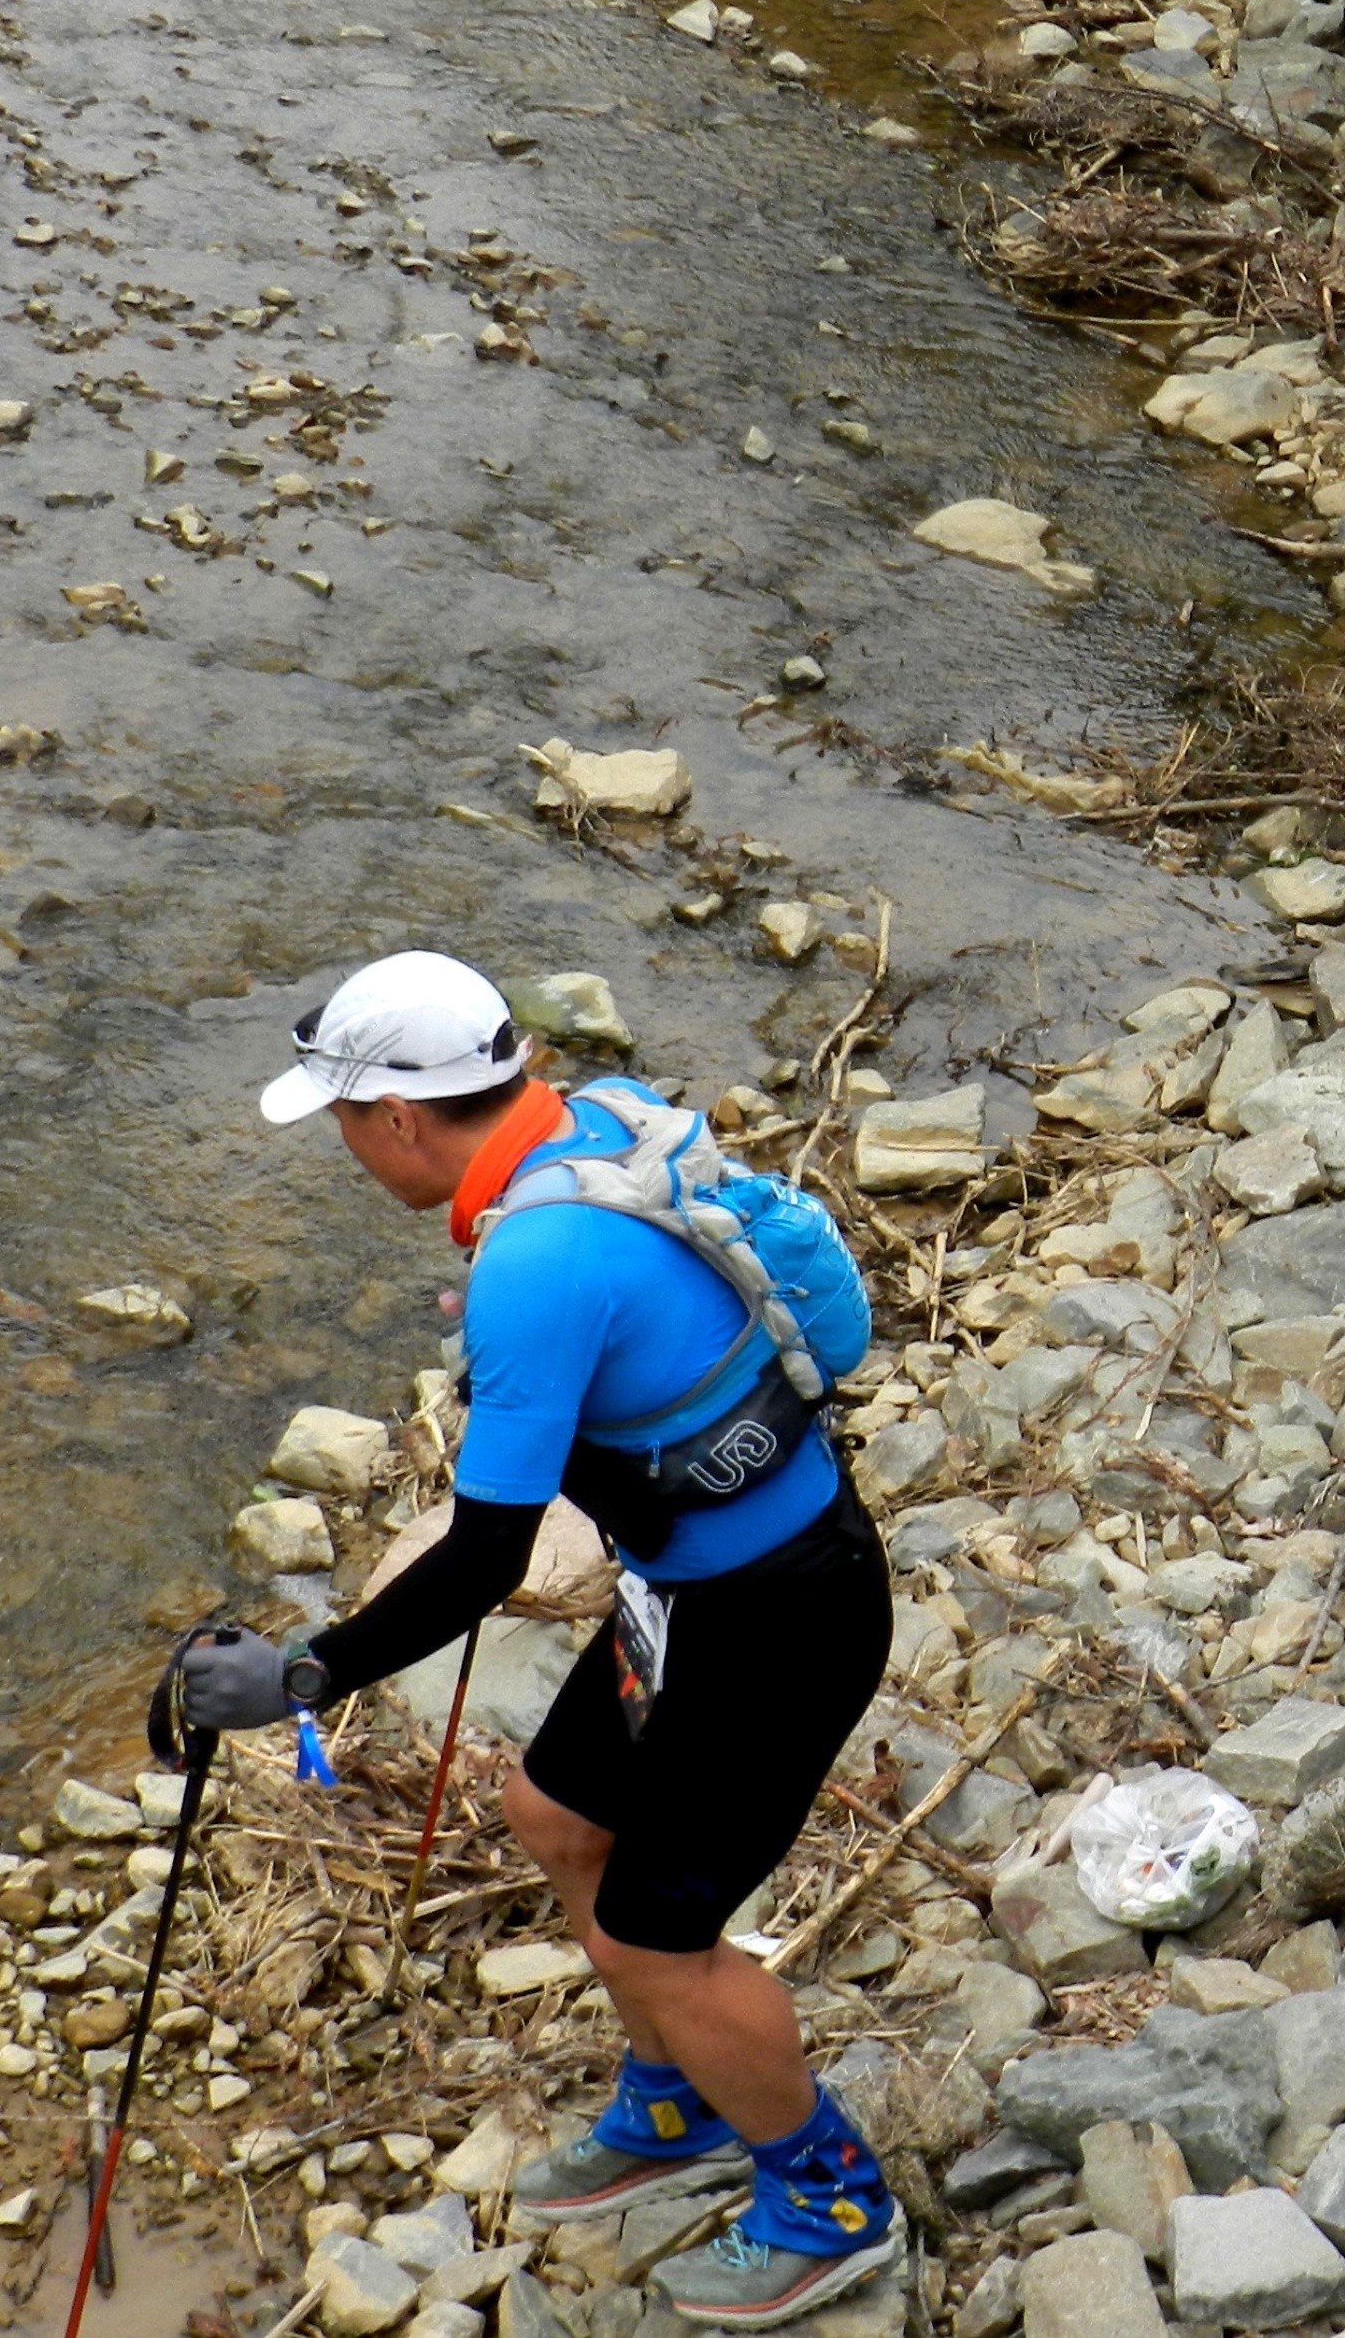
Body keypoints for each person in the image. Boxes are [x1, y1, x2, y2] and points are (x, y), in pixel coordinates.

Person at [160, 951, 898, 2327]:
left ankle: (829, 2198)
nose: (343, 1148)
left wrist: (301, 1675)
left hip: (779, 1623)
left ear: (394, 1115)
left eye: (338, 1120)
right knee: (553, 1811)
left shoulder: (536, 1260)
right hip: (689, 1597)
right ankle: (672, 2099)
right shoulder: (591, 1120)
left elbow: (488, 1557)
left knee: (650, 1937)